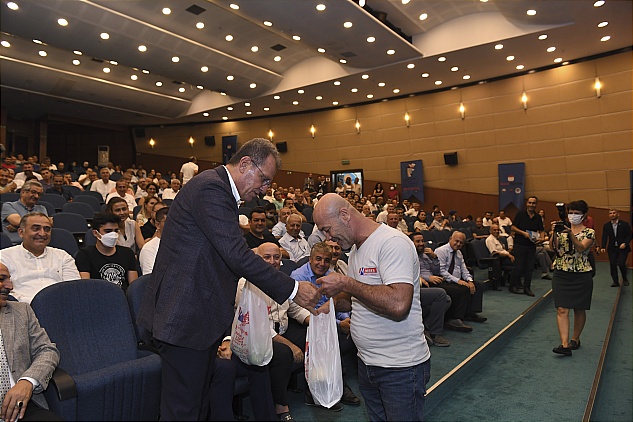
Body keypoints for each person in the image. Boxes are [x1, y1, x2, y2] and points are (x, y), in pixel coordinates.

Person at [136, 138, 320, 421]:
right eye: (264, 179)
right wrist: (293, 288)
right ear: (245, 163)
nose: (265, 189)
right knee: (183, 411)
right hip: (184, 319)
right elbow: (236, 255)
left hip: (197, 319)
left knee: (196, 407)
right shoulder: (211, 188)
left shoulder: (218, 190)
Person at [313, 193, 430, 421]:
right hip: (368, 362)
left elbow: (398, 304)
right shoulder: (357, 250)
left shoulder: (392, 242)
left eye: (327, 229)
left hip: (399, 367)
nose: (328, 238)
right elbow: (359, 297)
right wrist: (329, 303)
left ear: (344, 215)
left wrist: (346, 282)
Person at [0, 263, 62, 422]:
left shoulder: (21, 311)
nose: (10, 286)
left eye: (9, 279)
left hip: (20, 405)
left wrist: (27, 381)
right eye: (1, 279)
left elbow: (47, 350)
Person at [0, 212, 80, 303]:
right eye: (36, 229)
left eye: (47, 229)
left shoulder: (63, 256)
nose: (42, 233)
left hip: (60, 305)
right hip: (19, 307)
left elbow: (73, 288)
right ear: (21, 232)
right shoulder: (3, 257)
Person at [550, 200, 595, 357]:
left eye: (576, 213)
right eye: (571, 213)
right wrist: (554, 233)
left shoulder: (589, 232)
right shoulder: (561, 229)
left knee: (579, 308)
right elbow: (553, 248)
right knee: (562, 308)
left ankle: (575, 339)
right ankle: (565, 344)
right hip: (561, 272)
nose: (573, 215)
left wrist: (569, 233)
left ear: (584, 215)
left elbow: (581, 248)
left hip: (581, 273)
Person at [75, 212, 138, 292]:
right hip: (98, 296)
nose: (113, 235)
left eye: (116, 231)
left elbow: (133, 287)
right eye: (108, 231)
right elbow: (85, 286)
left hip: (123, 297)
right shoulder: (85, 254)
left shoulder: (127, 253)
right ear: (95, 233)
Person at [435, 231, 486, 327]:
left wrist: (470, 281)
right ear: (450, 239)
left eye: (461, 243)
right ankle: (454, 318)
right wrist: (458, 281)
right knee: (462, 289)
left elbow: (464, 269)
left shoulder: (459, 253)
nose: (458, 244)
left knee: (478, 285)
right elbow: (441, 271)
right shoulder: (441, 251)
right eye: (456, 241)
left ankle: (470, 313)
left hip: (456, 280)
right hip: (444, 280)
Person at [410, 233, 452, 347]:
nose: (421, 244)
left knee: (447, 299)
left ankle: (426, 327)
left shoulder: (425, 255)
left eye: (422, 241)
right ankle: (435, 333)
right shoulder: (408, 255)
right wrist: (422, 278)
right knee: (441, 294)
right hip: (413, 288)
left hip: (425, 283)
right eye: (417, 241)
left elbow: (436, 271)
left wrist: (434, 257)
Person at [509, 196, 544, 297]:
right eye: (530, 203)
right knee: (518, 267)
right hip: (519, 245)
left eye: (533, 203)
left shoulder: (538, 217)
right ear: (527, 203)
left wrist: (542, 238)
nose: (531, 205)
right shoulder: (520, 214)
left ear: (536, 204)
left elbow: (541, 230)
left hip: (531, 246)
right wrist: (523, 233)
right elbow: (513, 227)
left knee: (529, 268)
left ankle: (527, 288)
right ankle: (513, 286)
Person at [2, 180, 47, 245]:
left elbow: (46, 225)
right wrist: (36, 226)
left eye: (39, 194)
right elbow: (16, 222)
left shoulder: (41, 208)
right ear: (23, 192)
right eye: (33, 192)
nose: (36, 196)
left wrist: (19, 227)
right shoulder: (9, 206)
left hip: (36, 245)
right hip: (14, 245)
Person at [600, 209, 631, 287]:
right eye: (610, 213)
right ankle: (615, 281)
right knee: (613, 264)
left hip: (623, 248)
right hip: (612, 248)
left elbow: (630, 235)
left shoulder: (624, 224)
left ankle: (625, 278)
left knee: (621, 263)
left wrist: (625, 243)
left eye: (614, 213)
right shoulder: (606, 225)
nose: (612, 214)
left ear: (618, 214)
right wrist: (603, 246)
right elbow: (604, 236)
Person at [139, 207, 169, 274]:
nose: (173, 226)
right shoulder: (149, 248)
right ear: (157, 225)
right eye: (168, 222)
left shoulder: (182, 244)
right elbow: (149, 276)